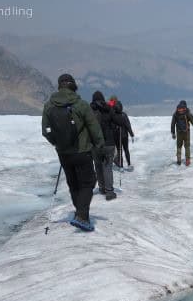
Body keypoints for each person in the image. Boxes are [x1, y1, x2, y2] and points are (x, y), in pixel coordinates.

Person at [42, 73, 104, 232]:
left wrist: (58, 143)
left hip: (63, 153)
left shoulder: (49, 105)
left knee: (74, 184)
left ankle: (81, 214)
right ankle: (82, 217)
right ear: (73, 86)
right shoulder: (81, 104)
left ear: (59, 86)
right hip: (82, 151)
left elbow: (46, 131)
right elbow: (94, 127)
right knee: (88, 183)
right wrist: (99, 146)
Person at [89, 91, 128, 200]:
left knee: (98, 166)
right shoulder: (108, 109)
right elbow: (120, 121)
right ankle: (109, 191)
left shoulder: (89, 110)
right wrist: (116, 110)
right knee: (107, 167)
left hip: (95, 144)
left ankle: (102, 188)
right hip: (108, 143)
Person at [170, 100, 193, 166]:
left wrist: (173, 133)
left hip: (179, 132)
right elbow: (192, 121)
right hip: (186, 132)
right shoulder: (187, 112)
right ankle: (187, 160)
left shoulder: (176, 114)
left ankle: (179, 160)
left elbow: (172, 124)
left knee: (179, 146)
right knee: (187, 146)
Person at [113, 99, 135, 168]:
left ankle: (121, 166)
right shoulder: (124, 115)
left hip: (117, 136)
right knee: (126, 150)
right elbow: (128, 125)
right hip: (124, 135)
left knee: (119, 151)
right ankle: (129, 164)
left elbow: (112, 126)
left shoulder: (113, 115)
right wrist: (131, 134)